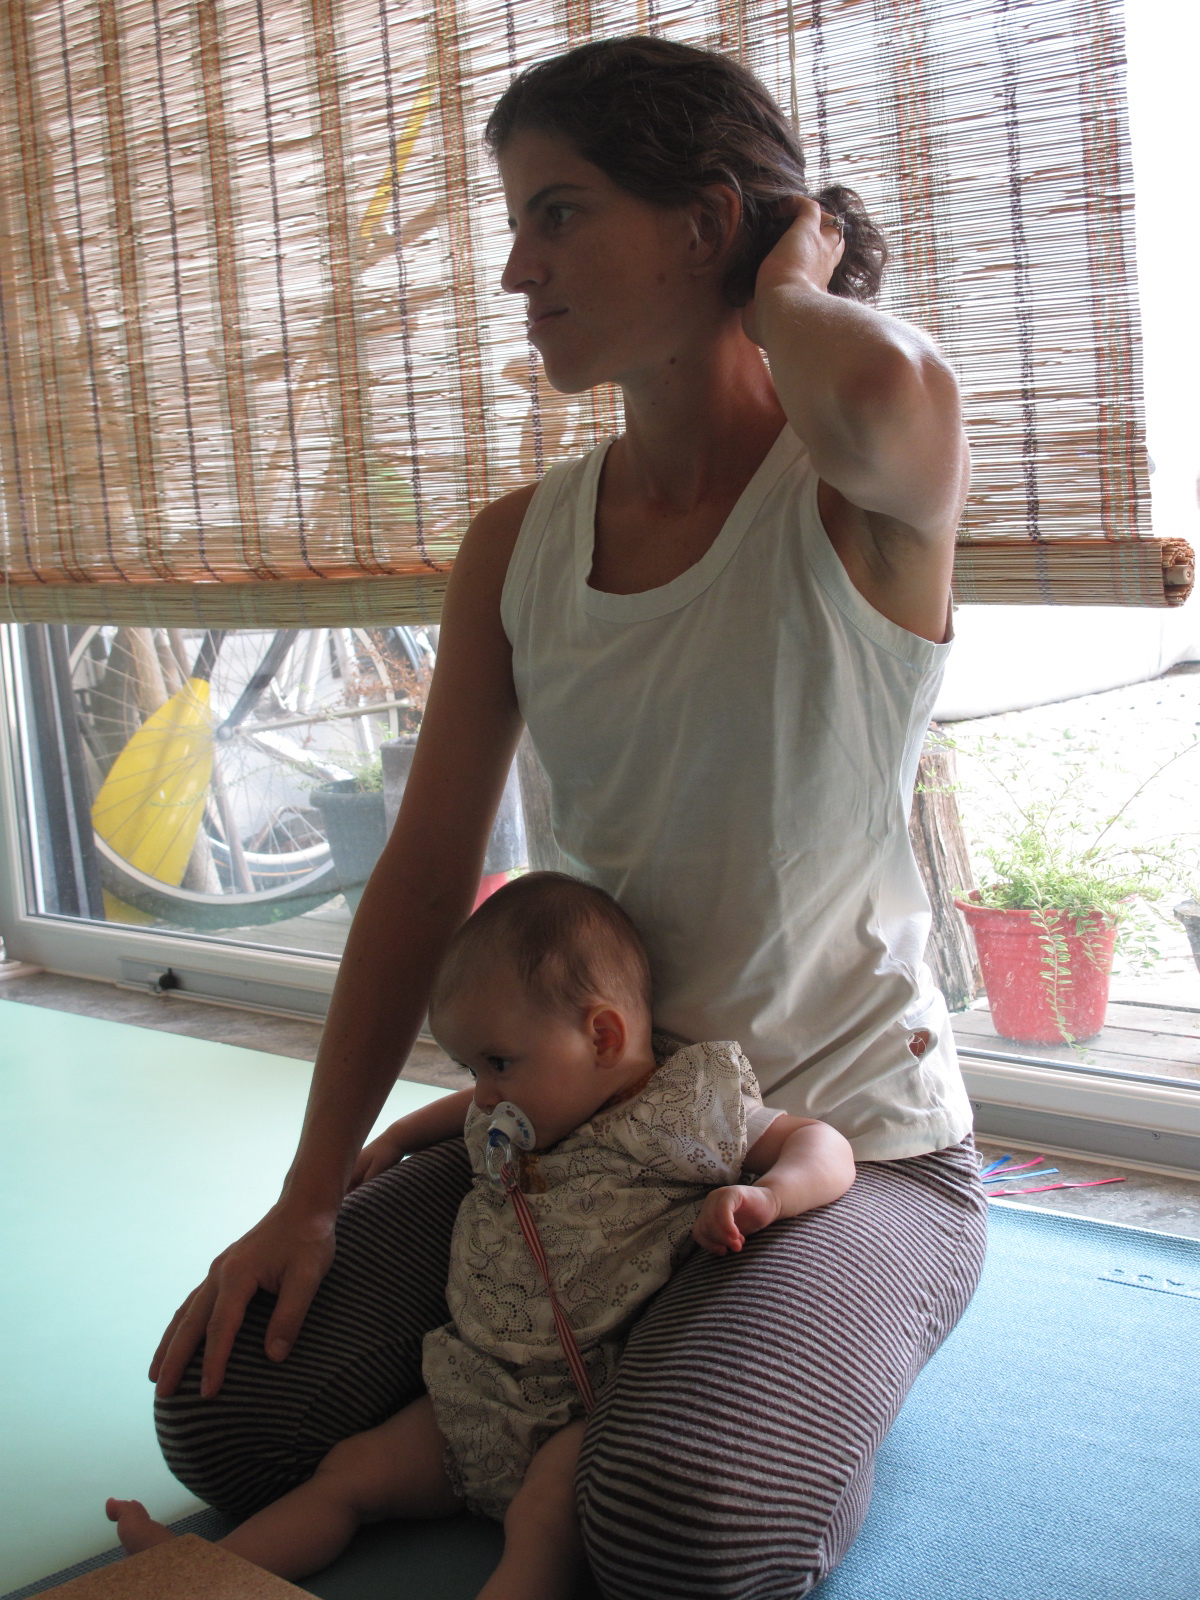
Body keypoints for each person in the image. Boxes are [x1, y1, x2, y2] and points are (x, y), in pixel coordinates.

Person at [151, 35, 987, 1599]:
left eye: (557, 214)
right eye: (515, 222)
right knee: (227, 1412)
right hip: (578, 1137)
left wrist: (786, 277)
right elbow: (423, 877)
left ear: (706, 221)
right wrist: (311, 1195)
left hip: (839, 1152)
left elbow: (884, 384)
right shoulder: (518, 545)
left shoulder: (856, 498)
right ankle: (624, 1370)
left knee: (676, 1532)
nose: (514, 271)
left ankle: (758, 1365)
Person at [110, 875, 855, 1597]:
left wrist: (768, 1196)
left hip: (588, 1405)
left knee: (542, 1523)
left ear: (602, 1036)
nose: (484, 1093)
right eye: (472, 1068)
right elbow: (464, 1108)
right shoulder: (513, 1114)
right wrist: (398, 1134)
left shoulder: (684, 1110)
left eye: (498, 1063)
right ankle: (200, 1577)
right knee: (351, 1474)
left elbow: (822, 1143)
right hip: (475, 1388)